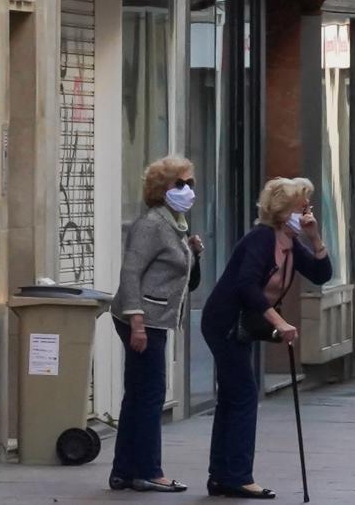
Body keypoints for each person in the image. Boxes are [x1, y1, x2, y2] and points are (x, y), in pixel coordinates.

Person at [201, 177, 333, 499]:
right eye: (301, 209)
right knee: (244, 394)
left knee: (234, 397)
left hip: (242, 324)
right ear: (282, 211)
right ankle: (237, 476)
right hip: (225, 322)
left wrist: (316, 239)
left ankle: (223, 475)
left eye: (308, 209)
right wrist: (279, 322)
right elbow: (246, 286)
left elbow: (321, 274)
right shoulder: (261, 239)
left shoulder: (290, 243)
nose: (306, 215)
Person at [108, 156, 204, 493]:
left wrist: (194, 253)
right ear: (161, 190)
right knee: (150, 395)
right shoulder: (152, 224)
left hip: (152, 318)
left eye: (190, 183)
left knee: (138, 395)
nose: (188, 190)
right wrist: (136, 321)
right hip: (143, 319)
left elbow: (179, 277)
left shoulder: (175, 223)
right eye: (180, 184)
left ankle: (124, 471)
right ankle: (148, 470)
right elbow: (131, 271)